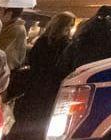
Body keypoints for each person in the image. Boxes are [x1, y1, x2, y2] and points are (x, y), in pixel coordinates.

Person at [8, 12, 76, 140]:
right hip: (51, 89)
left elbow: (32, 60)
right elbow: (64, 68)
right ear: (67, 26)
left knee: (24, 119)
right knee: (41, 122)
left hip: (33, 85)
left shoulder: (42, 41)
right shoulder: (67, 45)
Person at [61, 5, 111, 72]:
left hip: (80, 72)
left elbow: (68, 57)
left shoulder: (84, 30)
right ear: (110, 18)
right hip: (101, 73)